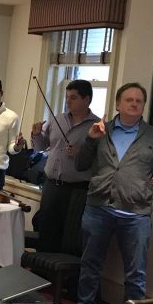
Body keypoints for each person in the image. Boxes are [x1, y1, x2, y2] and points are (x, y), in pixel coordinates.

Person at [68, 82, 153, 304]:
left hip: (136, 213)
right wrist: (90, 140)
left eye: (139, 101)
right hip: (98, 207)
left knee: (136, 273)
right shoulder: (101, 129)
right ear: (117, 104)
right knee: (90, 265)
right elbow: (81, 164)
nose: (134, 104)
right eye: (129, 100)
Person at [30, 79, 100, 253]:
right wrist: (36, 134)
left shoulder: (97, 126)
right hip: (51, 185)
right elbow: (40, 147)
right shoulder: (57, 119)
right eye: (67, 97)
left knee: (70, 236)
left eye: (73, 98)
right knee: (46, 231)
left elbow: (100, 160)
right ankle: (43, 274)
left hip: (77, 190)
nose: (68, 101)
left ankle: (64, 278)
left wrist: (79, 153)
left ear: (87, 99)